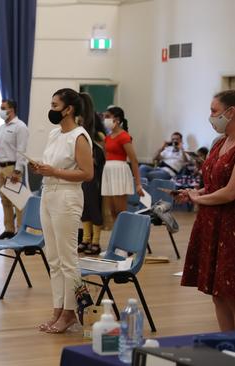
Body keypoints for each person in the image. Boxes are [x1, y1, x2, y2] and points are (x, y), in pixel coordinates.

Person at [31, 88, 93, 334]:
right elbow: (54, 166)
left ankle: (71, 311)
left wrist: (54, 172)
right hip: (48, 193)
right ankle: (58, 308)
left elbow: (87, 173)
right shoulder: (55, 133)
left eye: (55, 105)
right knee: (53, 259)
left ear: (68, 109)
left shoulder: (79, 136)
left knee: (68, 259)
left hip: (67, 196)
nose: (52, 109)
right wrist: (43, 169)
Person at [179, 90, 235, 331]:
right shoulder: (220, 142)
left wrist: (199, 200)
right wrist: (197, 192)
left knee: (232, 293)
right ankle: (228, 347)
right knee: (217, 293)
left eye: (214, 111)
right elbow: (215, 184)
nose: (210, 116)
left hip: (231, 226)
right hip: (212, 222)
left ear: (231, 112)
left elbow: (230, 192)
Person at [0, 99, 29, 239]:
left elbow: (22, 151)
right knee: (5, 201)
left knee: (18, 202)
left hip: (12, 167)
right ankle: (9, 230)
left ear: (12, 109)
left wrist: (17, 170)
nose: (1, 111)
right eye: (0, 107)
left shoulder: (20, 127)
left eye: (3, 108)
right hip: (1, 167)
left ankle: (21, 232)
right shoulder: (2, 128)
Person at [101, 106, 144, 231]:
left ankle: (124, 246)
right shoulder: (108, 137)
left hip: (120, 172)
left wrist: (138, 184)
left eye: (108, 116)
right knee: (113, 212)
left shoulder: (124, 136)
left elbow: (134, 160)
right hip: (108, 171)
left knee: (121, 212)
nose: (105, 119)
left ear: (117, 119)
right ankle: (116, 244)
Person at [78, 94, 106, 255]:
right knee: (84, 208)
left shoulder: (98, 135)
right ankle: (86, 239)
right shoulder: (78, 130)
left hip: (95, 175)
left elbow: (103, 156)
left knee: (94, 207)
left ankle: (96, 241)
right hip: (81, 174)